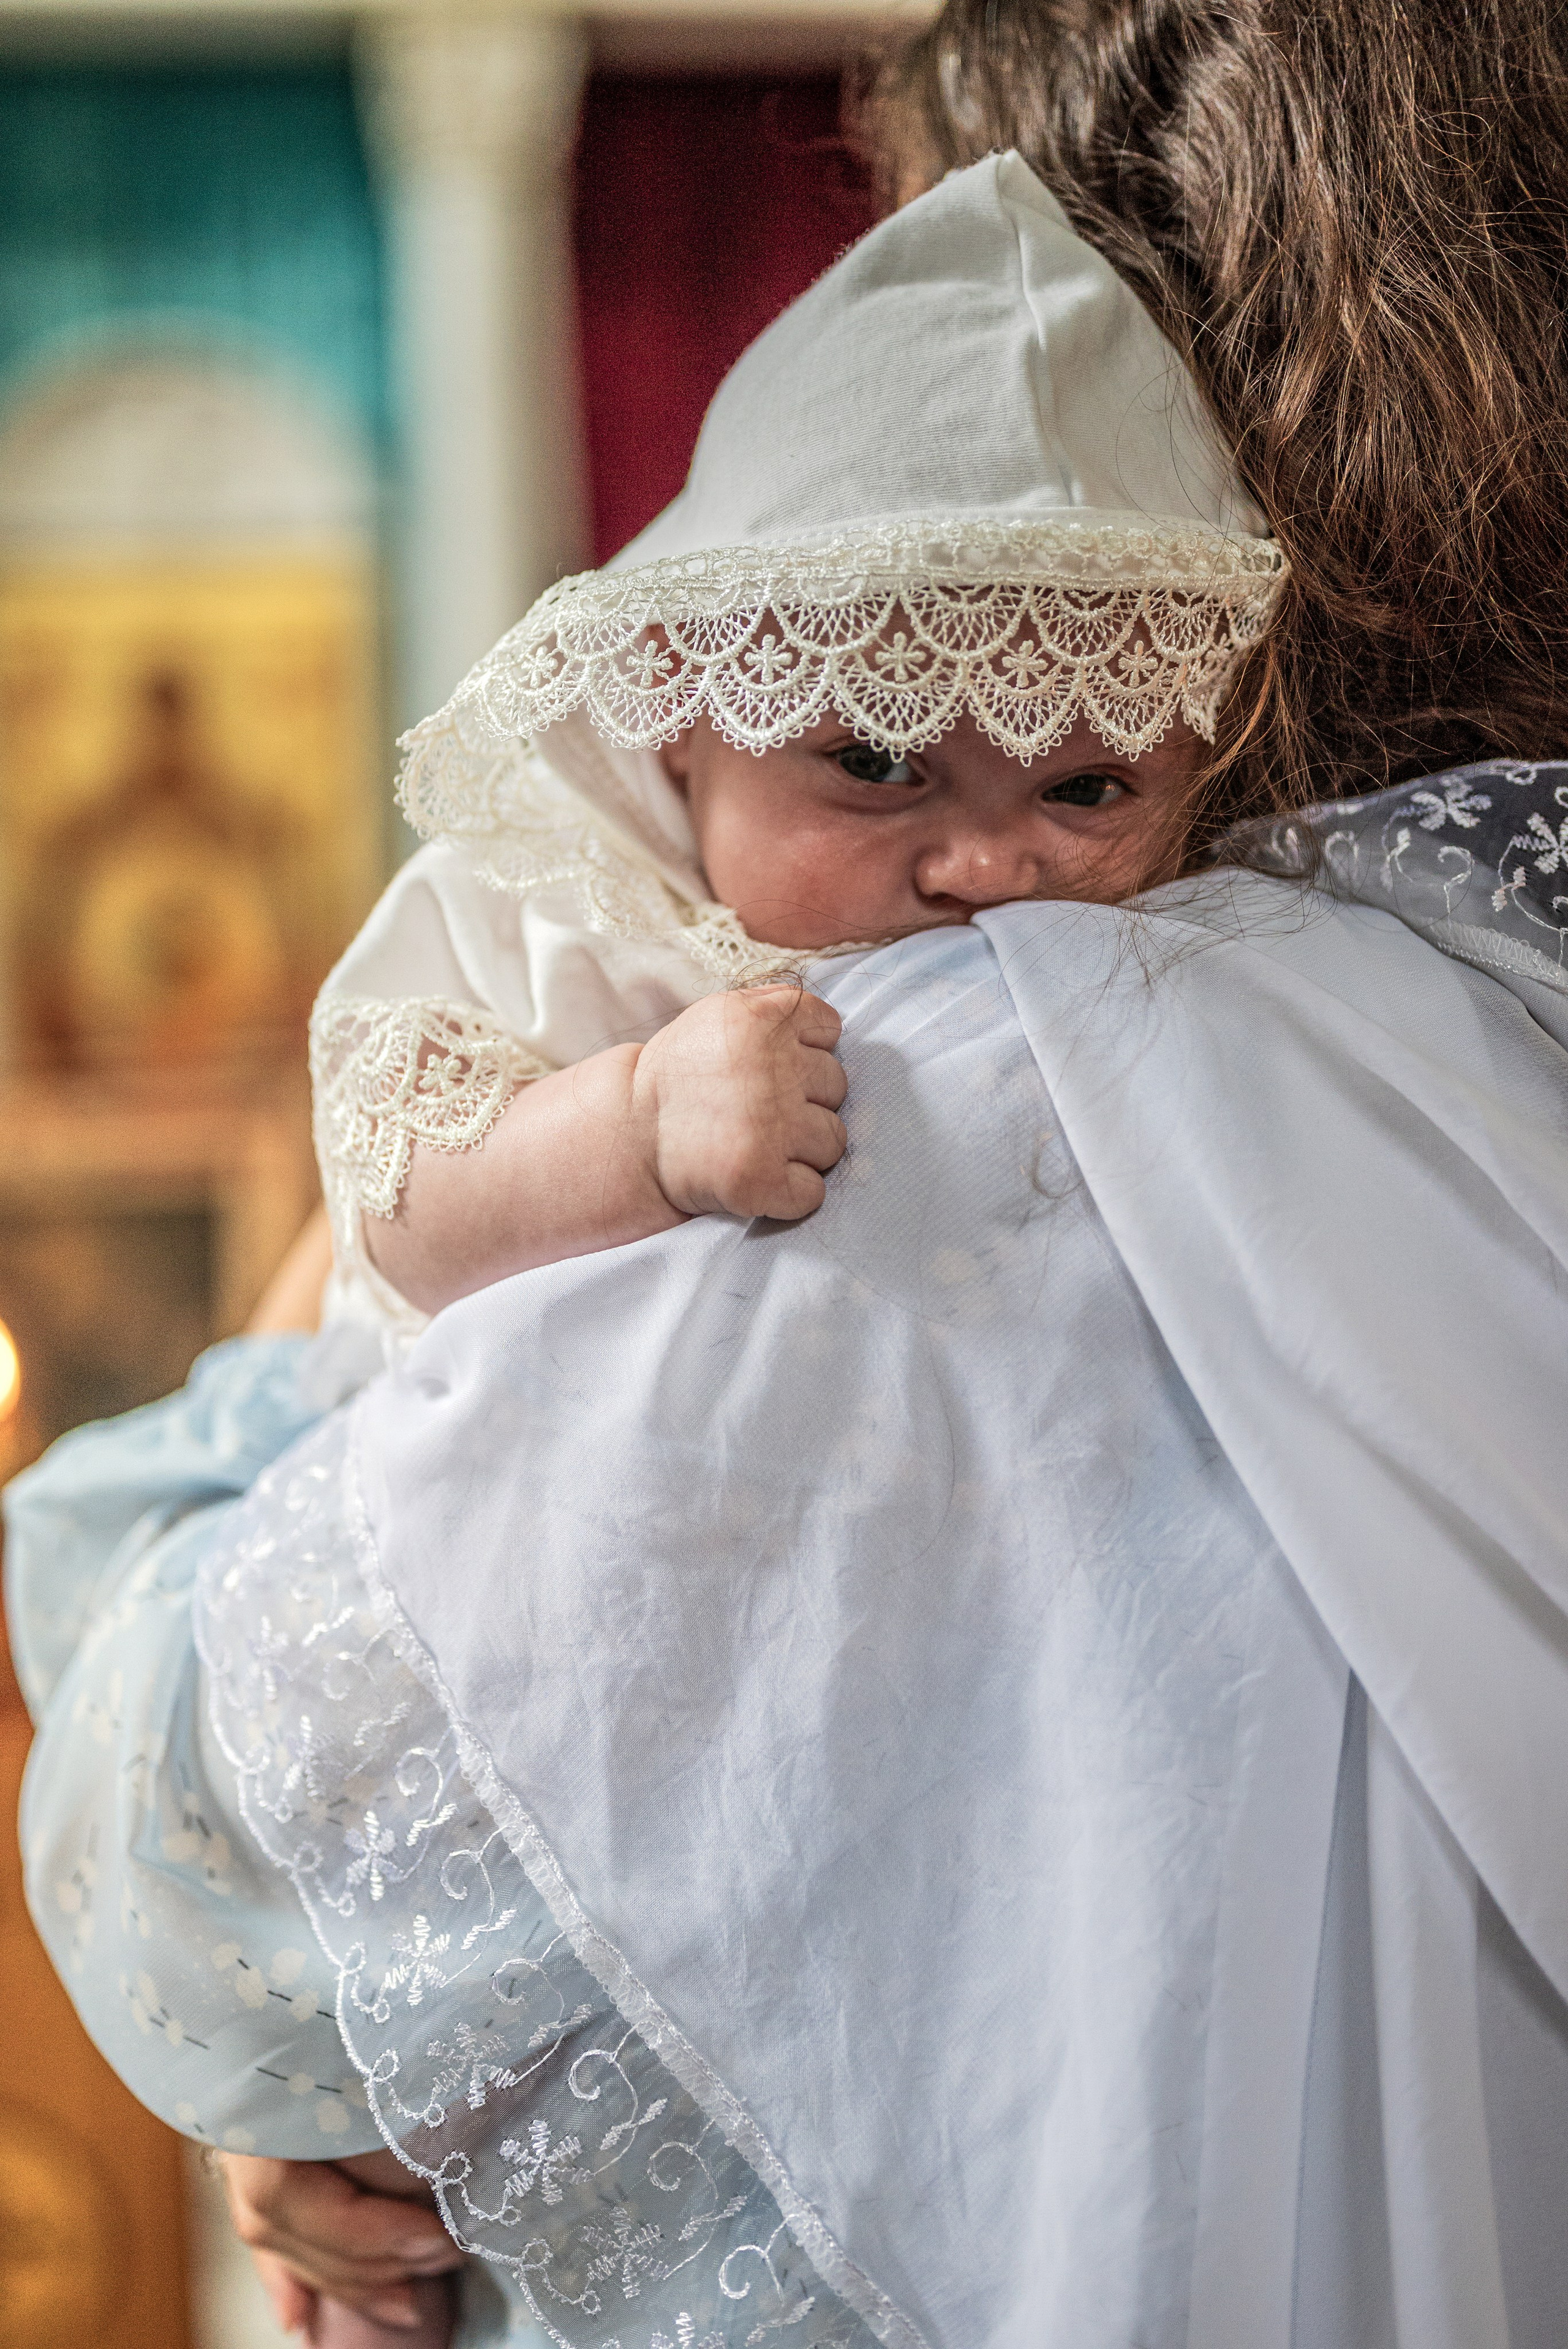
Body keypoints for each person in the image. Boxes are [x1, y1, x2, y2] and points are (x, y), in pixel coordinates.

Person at [7, 4, 1568, 2343]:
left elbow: (226, 1851)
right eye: (882, 758)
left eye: (1084, 787)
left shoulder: (997, 1075)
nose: (986, 867)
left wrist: (343, 2018)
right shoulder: (1470, 1008)